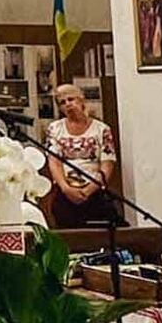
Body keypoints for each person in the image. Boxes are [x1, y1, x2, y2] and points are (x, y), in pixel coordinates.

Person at [44, 83, 119, 228]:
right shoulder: (55, 128)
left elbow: (107, 165)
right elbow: (54, 162)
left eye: (71, 99)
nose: (68, 105)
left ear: (81, 100)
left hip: (94, 192)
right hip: (65, 192)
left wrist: (88, 190)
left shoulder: (101, 129)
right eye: (62, 102)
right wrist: (66, 188)